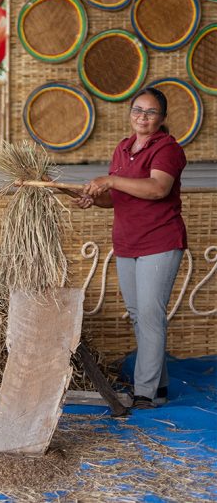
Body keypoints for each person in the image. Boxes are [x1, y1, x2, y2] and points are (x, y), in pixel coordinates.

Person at [73, 87, 187, 409]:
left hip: (159, 241)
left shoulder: (167, 149)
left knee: (150, 315)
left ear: (162, 118)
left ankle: (145, 393)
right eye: (138, 110)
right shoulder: (123, 149)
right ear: (130, 112)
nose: (143, 117)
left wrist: (109, 180)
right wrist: (93, 198)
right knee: (139, 315)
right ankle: (159, 388)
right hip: (127, 242)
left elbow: (156, 189)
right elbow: (116, 199)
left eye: (151, 112)